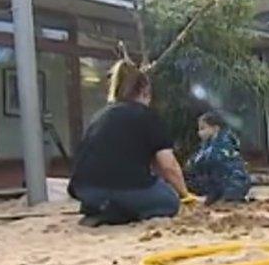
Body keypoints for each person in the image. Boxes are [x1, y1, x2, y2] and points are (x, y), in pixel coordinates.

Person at [68, 60, 196, 226]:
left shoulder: (99, 116)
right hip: (124, 188)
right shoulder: (147, 116)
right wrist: (185, 195)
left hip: (87, 191)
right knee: (169, 200)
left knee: (116, 194)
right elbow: (168, 166)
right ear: (145, 91)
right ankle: (121, 211)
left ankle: (105, 209)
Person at [185, 111, 252, 205]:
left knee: (222, 203)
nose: (199, 133)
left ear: (215, 128)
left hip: (233, 184)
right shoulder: (207, 145)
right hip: (219, 185)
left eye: (203, 128)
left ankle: (234, 198)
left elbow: (209, 160)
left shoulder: (224, 144)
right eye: (199, 129)